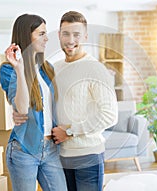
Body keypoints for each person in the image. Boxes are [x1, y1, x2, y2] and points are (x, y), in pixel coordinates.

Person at [13, 11, 118, 191]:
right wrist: (18, 114)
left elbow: (110, 116)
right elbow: (45, 104)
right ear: (59, 36)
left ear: (85, 36)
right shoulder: (54, 69)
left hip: (87, 156)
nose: (70, 40)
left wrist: (70, 131)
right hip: (59, 156)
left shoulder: (95, 69)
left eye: (76, 34)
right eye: (66, 34)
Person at [0, 14, 67, 191]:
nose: (47, 38)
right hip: (24, 151)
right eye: (41, 33)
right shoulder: (9, 70)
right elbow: (21, 109)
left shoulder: (47, 68)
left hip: (50, 149)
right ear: (26, 35)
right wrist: (20, 69)